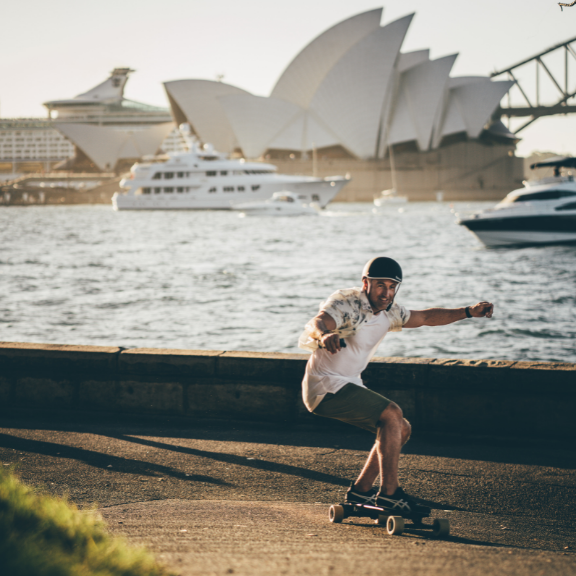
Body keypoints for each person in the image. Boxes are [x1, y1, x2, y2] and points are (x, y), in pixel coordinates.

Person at [298, 256, 494, 512]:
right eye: (381, 285)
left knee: (401, 428)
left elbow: (425, 317)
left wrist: (468, 311)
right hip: (324, 385)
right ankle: (390, 494)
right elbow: (319, 321)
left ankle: (361, 490)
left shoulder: (390, 312)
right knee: (392, 413)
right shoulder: (346, 303)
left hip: (350, 384)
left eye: (392, 287)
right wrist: (325, 334)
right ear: (365, 282)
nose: (386, 293)